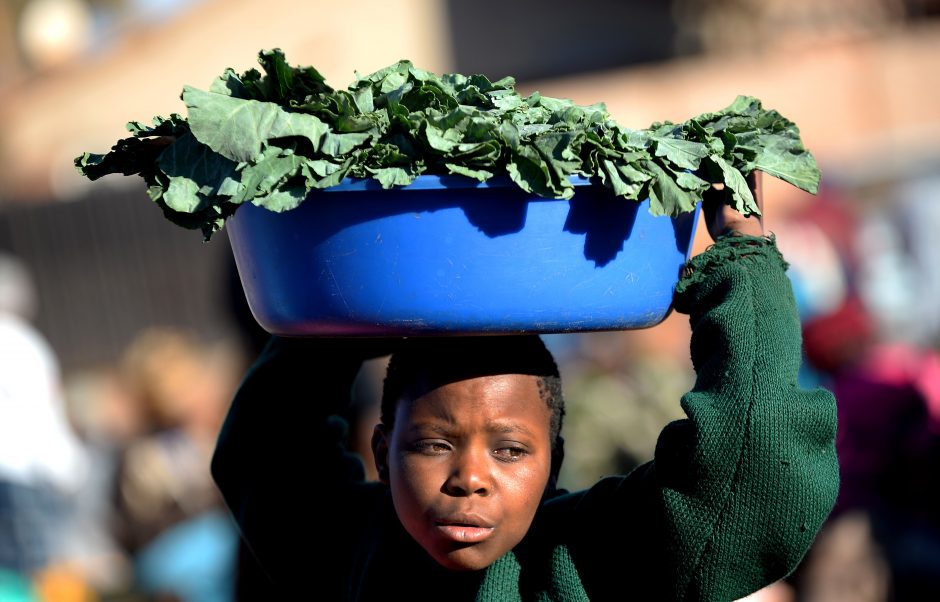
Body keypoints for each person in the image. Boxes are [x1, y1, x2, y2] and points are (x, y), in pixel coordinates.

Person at [210, 173, 840, 600]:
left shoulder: (584, 561)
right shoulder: (351, 553)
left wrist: (744, 259)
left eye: (510, 450)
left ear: (555, 461)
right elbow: (267, 448)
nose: (471, 478)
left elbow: (754, 470)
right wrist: (345, 298)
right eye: (432, 444)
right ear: (379, 451)